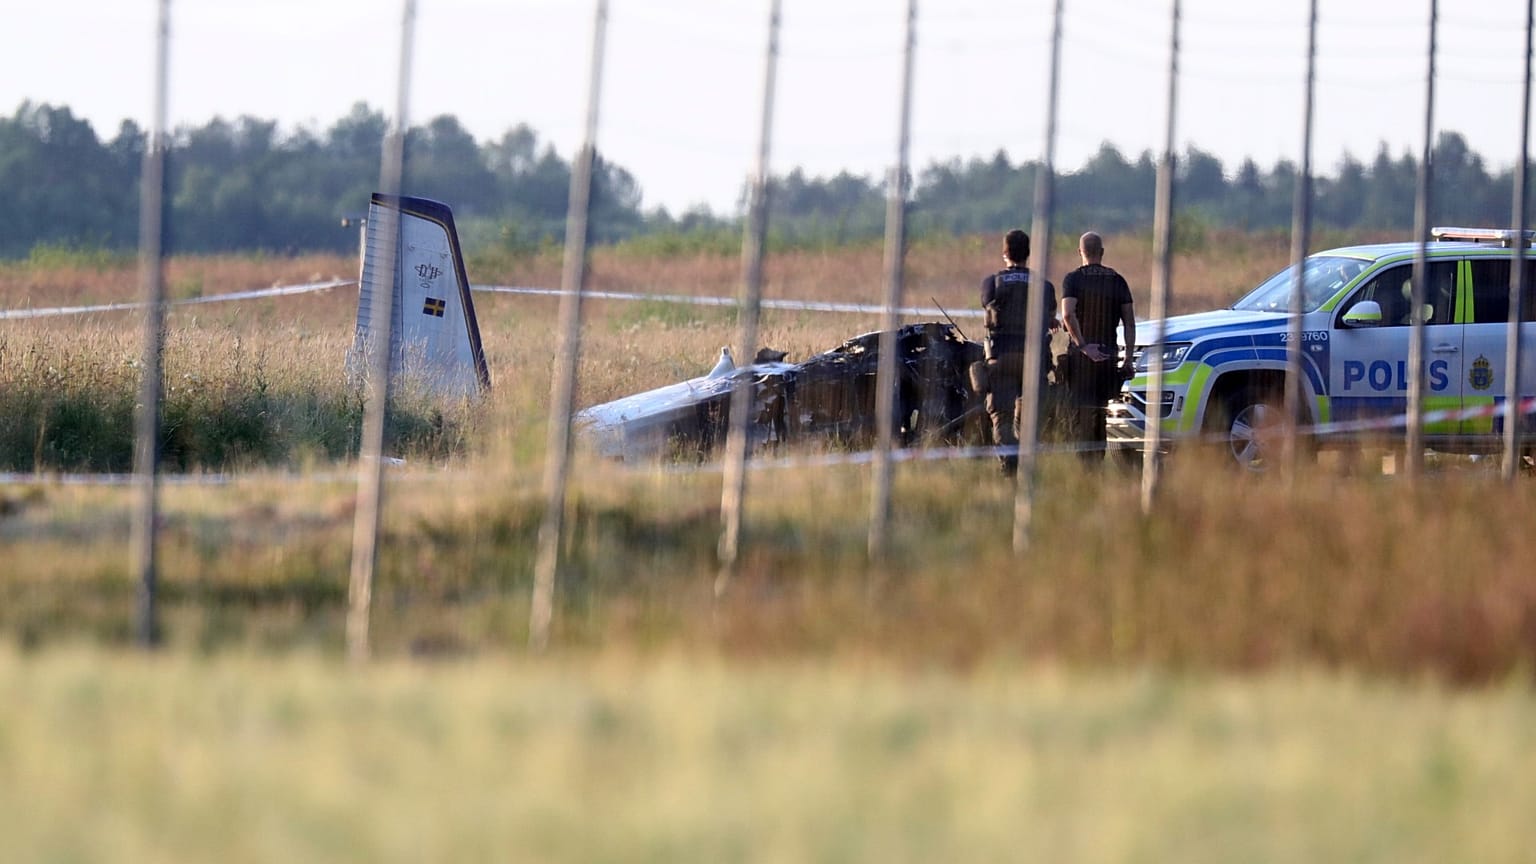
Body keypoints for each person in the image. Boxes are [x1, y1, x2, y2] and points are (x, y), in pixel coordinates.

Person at [979, 228, 1057, 475]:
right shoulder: (1044, 286)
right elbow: (1050, 314)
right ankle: (1027, 465)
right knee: (1030, 415)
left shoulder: (992, 283)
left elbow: (988, 306)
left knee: (1001, 416)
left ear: (1005, 253)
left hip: (1000, 357)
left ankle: (1008, 466)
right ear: (1029, 253)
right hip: (1034, 359)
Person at [1059, 231, 1135, 466]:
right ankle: (1096, 465)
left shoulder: (1073, 279)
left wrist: (1082, 346)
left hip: (1081, 361)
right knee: (1100, 415)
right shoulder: (1117, 280)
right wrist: (1128, 360)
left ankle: (1084, 467)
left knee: (1081, 414)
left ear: (1080, 251)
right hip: (1108, 357)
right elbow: (1129, 322)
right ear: (1101, 252)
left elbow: (1068, 313)